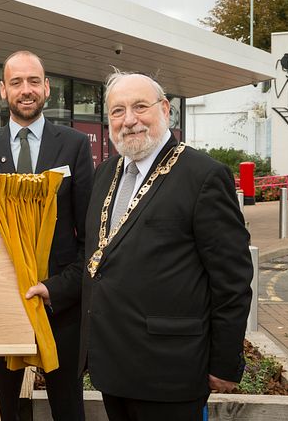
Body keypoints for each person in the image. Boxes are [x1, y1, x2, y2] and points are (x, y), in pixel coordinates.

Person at [79, 72, 253, 421]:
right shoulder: (106, 172)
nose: (129, 120)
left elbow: (231, 281)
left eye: (140, 107)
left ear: (165, 110)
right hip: (113, 368)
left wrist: (224, 362)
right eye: (117, 111)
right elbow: (99, 259)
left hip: (170, 371)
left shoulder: (203, 176)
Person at [0, 50, 93, 421]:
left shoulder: (73, 145)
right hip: (3, 301)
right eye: (17, 82)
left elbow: (88, 233)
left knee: (68, 406)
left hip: (58, 301)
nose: (26, 90)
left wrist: (60, 287)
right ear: (3, 91)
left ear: (47, 88)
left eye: (34, 81)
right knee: (2, 406)